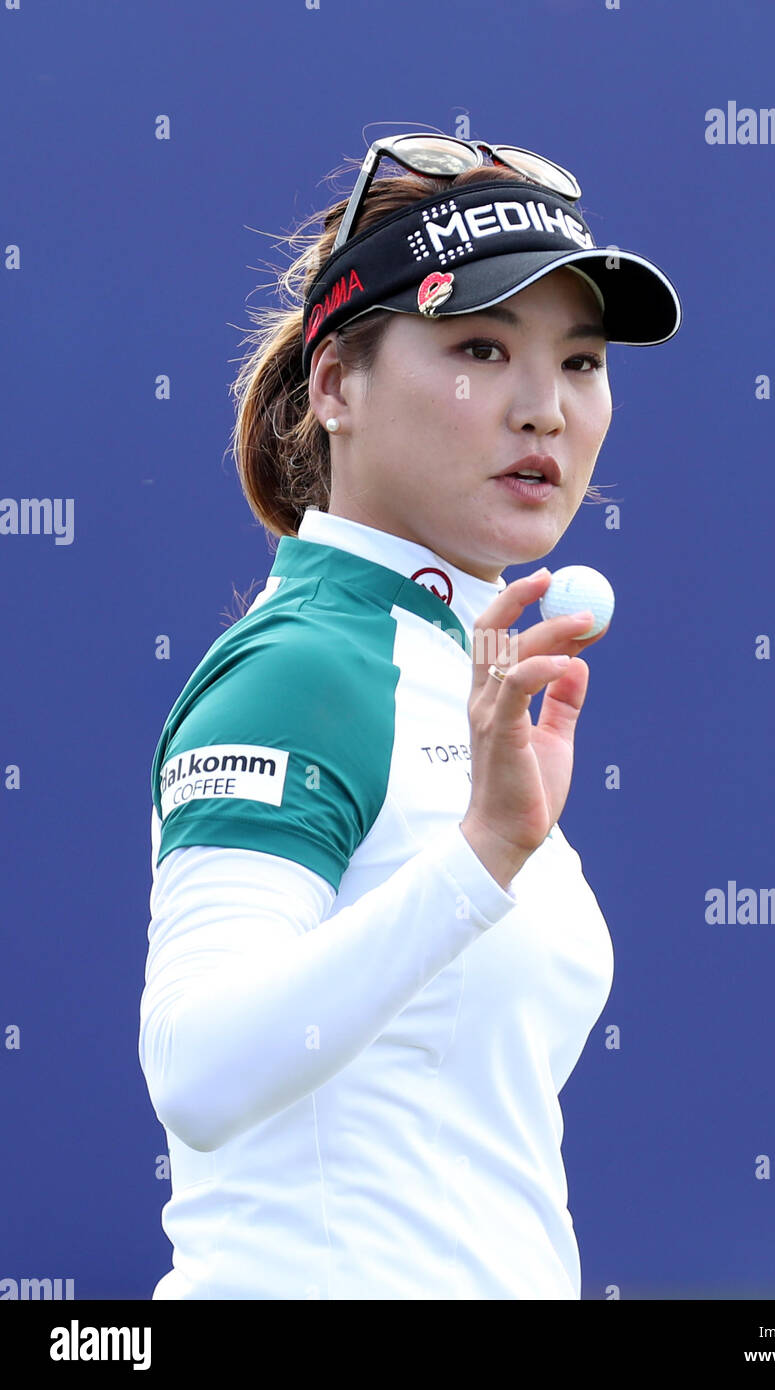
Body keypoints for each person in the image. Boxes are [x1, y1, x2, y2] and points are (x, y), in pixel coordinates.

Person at [139, 133, 682, 1300]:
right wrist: (480, 857)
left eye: (579, 362)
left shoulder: (458, 671)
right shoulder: (304, 667)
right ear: (335, 383)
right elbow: (196, 1069)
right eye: (479, 349)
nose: (542, 409)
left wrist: (487, 850)